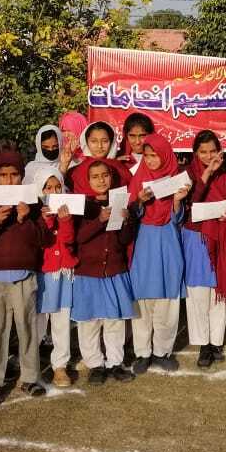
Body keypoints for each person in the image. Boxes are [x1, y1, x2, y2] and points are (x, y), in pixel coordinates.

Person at [0, 151, 49, 403]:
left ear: (21, 175)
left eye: (14, 174)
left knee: (27, 328)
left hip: (25, 276)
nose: (9, 180)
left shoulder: (32, 201)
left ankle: (30, 378)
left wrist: (25, 219)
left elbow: (44, 239)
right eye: (3, 175)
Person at [72, 159, 137, 384]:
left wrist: (126, 222)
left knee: (114, 320)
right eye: (95, 177)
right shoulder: (82, 206)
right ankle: (95, 365)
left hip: (113, 271)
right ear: (88, 180)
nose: (101, 180)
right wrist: (99, 220)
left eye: (105, 175)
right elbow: (78, 238)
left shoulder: (119, 201)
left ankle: (115, 362)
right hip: (88, 273)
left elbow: (124, 240)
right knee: (89, 322)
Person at [128, 132, 189, 374]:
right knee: (143, 302)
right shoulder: (139, 179)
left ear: (165, 156)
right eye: (147, 156)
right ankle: (142, 353)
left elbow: (178, 219)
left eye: (155, 155)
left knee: (167, 302)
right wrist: (140, 201)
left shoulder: (175, 179)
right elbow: (129, 215)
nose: (151, 160)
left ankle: (162, 352)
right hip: (144, 245)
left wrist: (177, 200)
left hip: (169, 244)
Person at [181, 130, 226, 367]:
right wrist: (206, 174)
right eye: (203, 152)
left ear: (219, 151)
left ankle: (216, 342)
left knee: (218, 290)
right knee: (198, 293)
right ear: (195, 153)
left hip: (219, 237)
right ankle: (203, 344)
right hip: (195, 237)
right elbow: (190, 203)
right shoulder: (187, 173)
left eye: (213, 151)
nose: (208, 156)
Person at [35, 167, 77, 387]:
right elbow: (41, 241)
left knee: (61, 319)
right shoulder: (34, 211)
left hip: (64, 273)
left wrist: (65, 221)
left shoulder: (68, 210)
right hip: (43, 273)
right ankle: (30, 365)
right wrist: (47, 221)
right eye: (48, 187)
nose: (53, 191)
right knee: (38, 320)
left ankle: (60, 365)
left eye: (57, 187)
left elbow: (69, 240)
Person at [69, 121, 132, 192]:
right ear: (86, 142)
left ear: (112, 142)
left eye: (105, 141)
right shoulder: (77, 171)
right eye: (94, 141)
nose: (99, 146)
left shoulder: (119, 168)